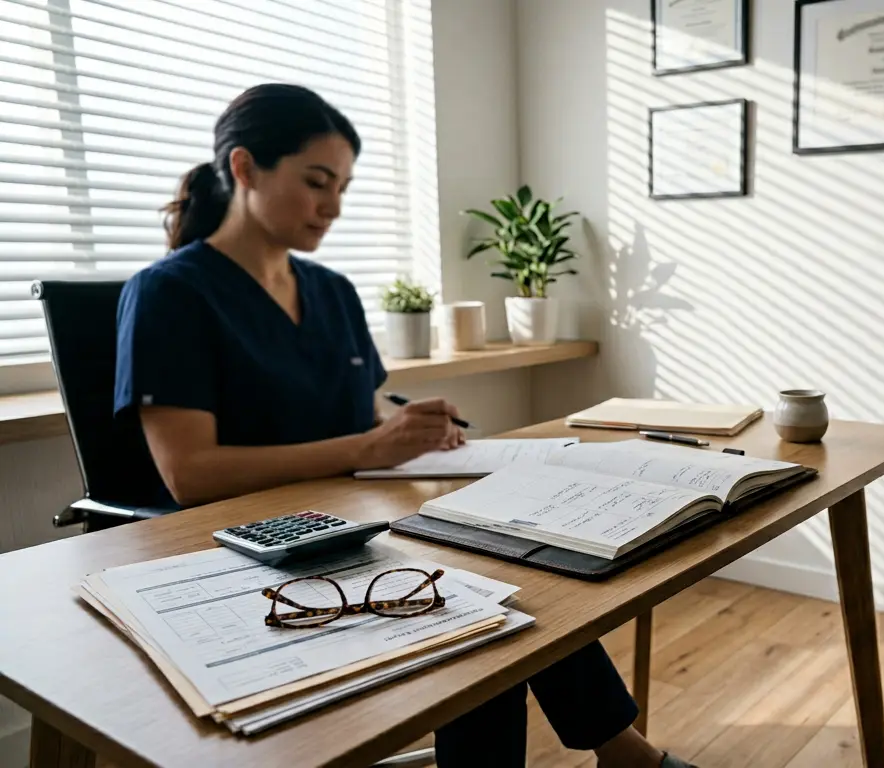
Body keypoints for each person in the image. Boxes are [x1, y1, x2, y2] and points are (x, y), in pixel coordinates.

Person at [113, 84, 694, 768]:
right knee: (473, 602)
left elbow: (361, 410)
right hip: (245, 545)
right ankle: (623, 753)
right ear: (244, 169)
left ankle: (620, 750)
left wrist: (408, 425)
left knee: (515, 563)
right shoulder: (169, 294)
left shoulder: (330, 291)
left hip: (350, 517)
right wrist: (368, 445)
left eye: (344, 186)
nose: (333, 206)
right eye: (316, 182)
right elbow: (189, 475)